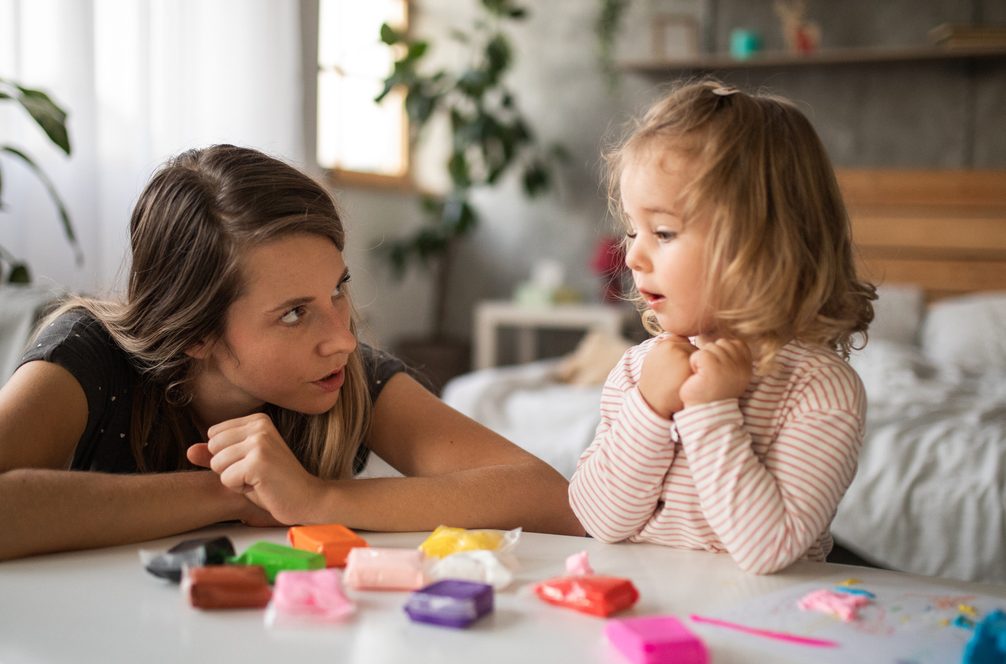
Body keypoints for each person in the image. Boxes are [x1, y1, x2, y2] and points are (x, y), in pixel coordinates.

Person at [0, 144, 583, 561]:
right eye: (294, 313)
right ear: (195, 332)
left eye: (338, 290)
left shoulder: (345, 374)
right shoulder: (87, 354)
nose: (344, 339)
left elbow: (549, 499)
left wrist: (319, 497)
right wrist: (230, 492)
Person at [568, 80, 876, 574]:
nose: (633, 256)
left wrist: (710, 409)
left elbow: (767, 550)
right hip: (644, 606)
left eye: (663, 232)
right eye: (631, 229)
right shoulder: (639, 371)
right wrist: (649, 408)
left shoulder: (817, 389)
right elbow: (597, 519)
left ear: (764, 243)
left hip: (761, 616)